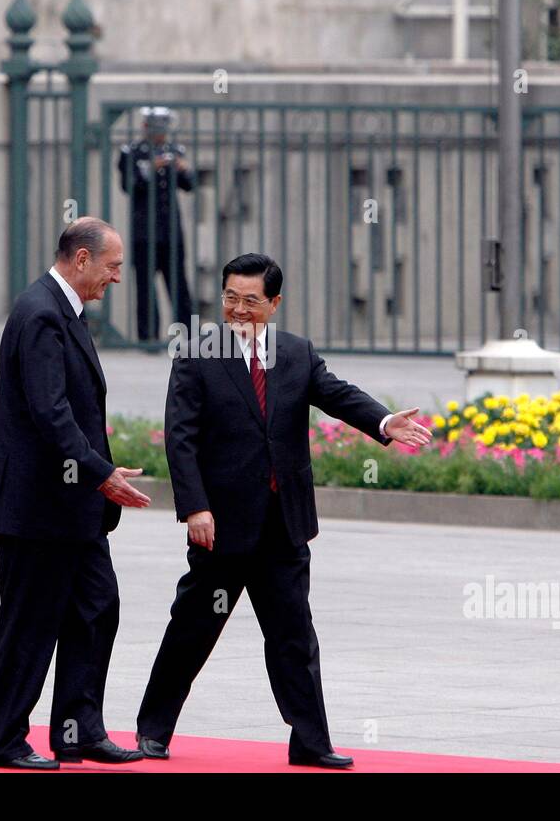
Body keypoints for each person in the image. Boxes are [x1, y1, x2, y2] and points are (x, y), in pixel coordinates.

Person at [135, 253, 433, 768]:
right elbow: (180, 438)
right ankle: (153, 731)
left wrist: (384, 422)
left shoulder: (296, 353)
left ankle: (312, 743)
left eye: (251, 300)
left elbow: (336, 395)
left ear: (274, 303)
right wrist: (195, 508)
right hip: (221, 528)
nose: (239, 309)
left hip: (283, 526)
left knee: (295, 638)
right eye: (230, 298)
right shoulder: (198, 353)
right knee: (192, 630)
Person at [0, 217, 152, 770]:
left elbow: (68, 412)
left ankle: (78, 731)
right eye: (112, 266)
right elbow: (51, 415)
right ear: (80, 259)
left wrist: (96, 471)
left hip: (73, 507)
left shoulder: (61, 311)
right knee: (30, 623)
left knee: (97, 609)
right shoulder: (42, 314)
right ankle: (2, 741)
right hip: (38, 508)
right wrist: (102, 474)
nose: (116, 278)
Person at [117, 106, 196, 343]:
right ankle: (148, 336)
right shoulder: (131, 152)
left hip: (171, 231)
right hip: (144, 232)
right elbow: (128, 186)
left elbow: (189, 185)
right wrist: (151, 168)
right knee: (145, 286)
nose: (160, 136)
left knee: (178, 284)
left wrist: (184, 169)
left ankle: (190, 337)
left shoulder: (175, 151)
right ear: (145, 128)